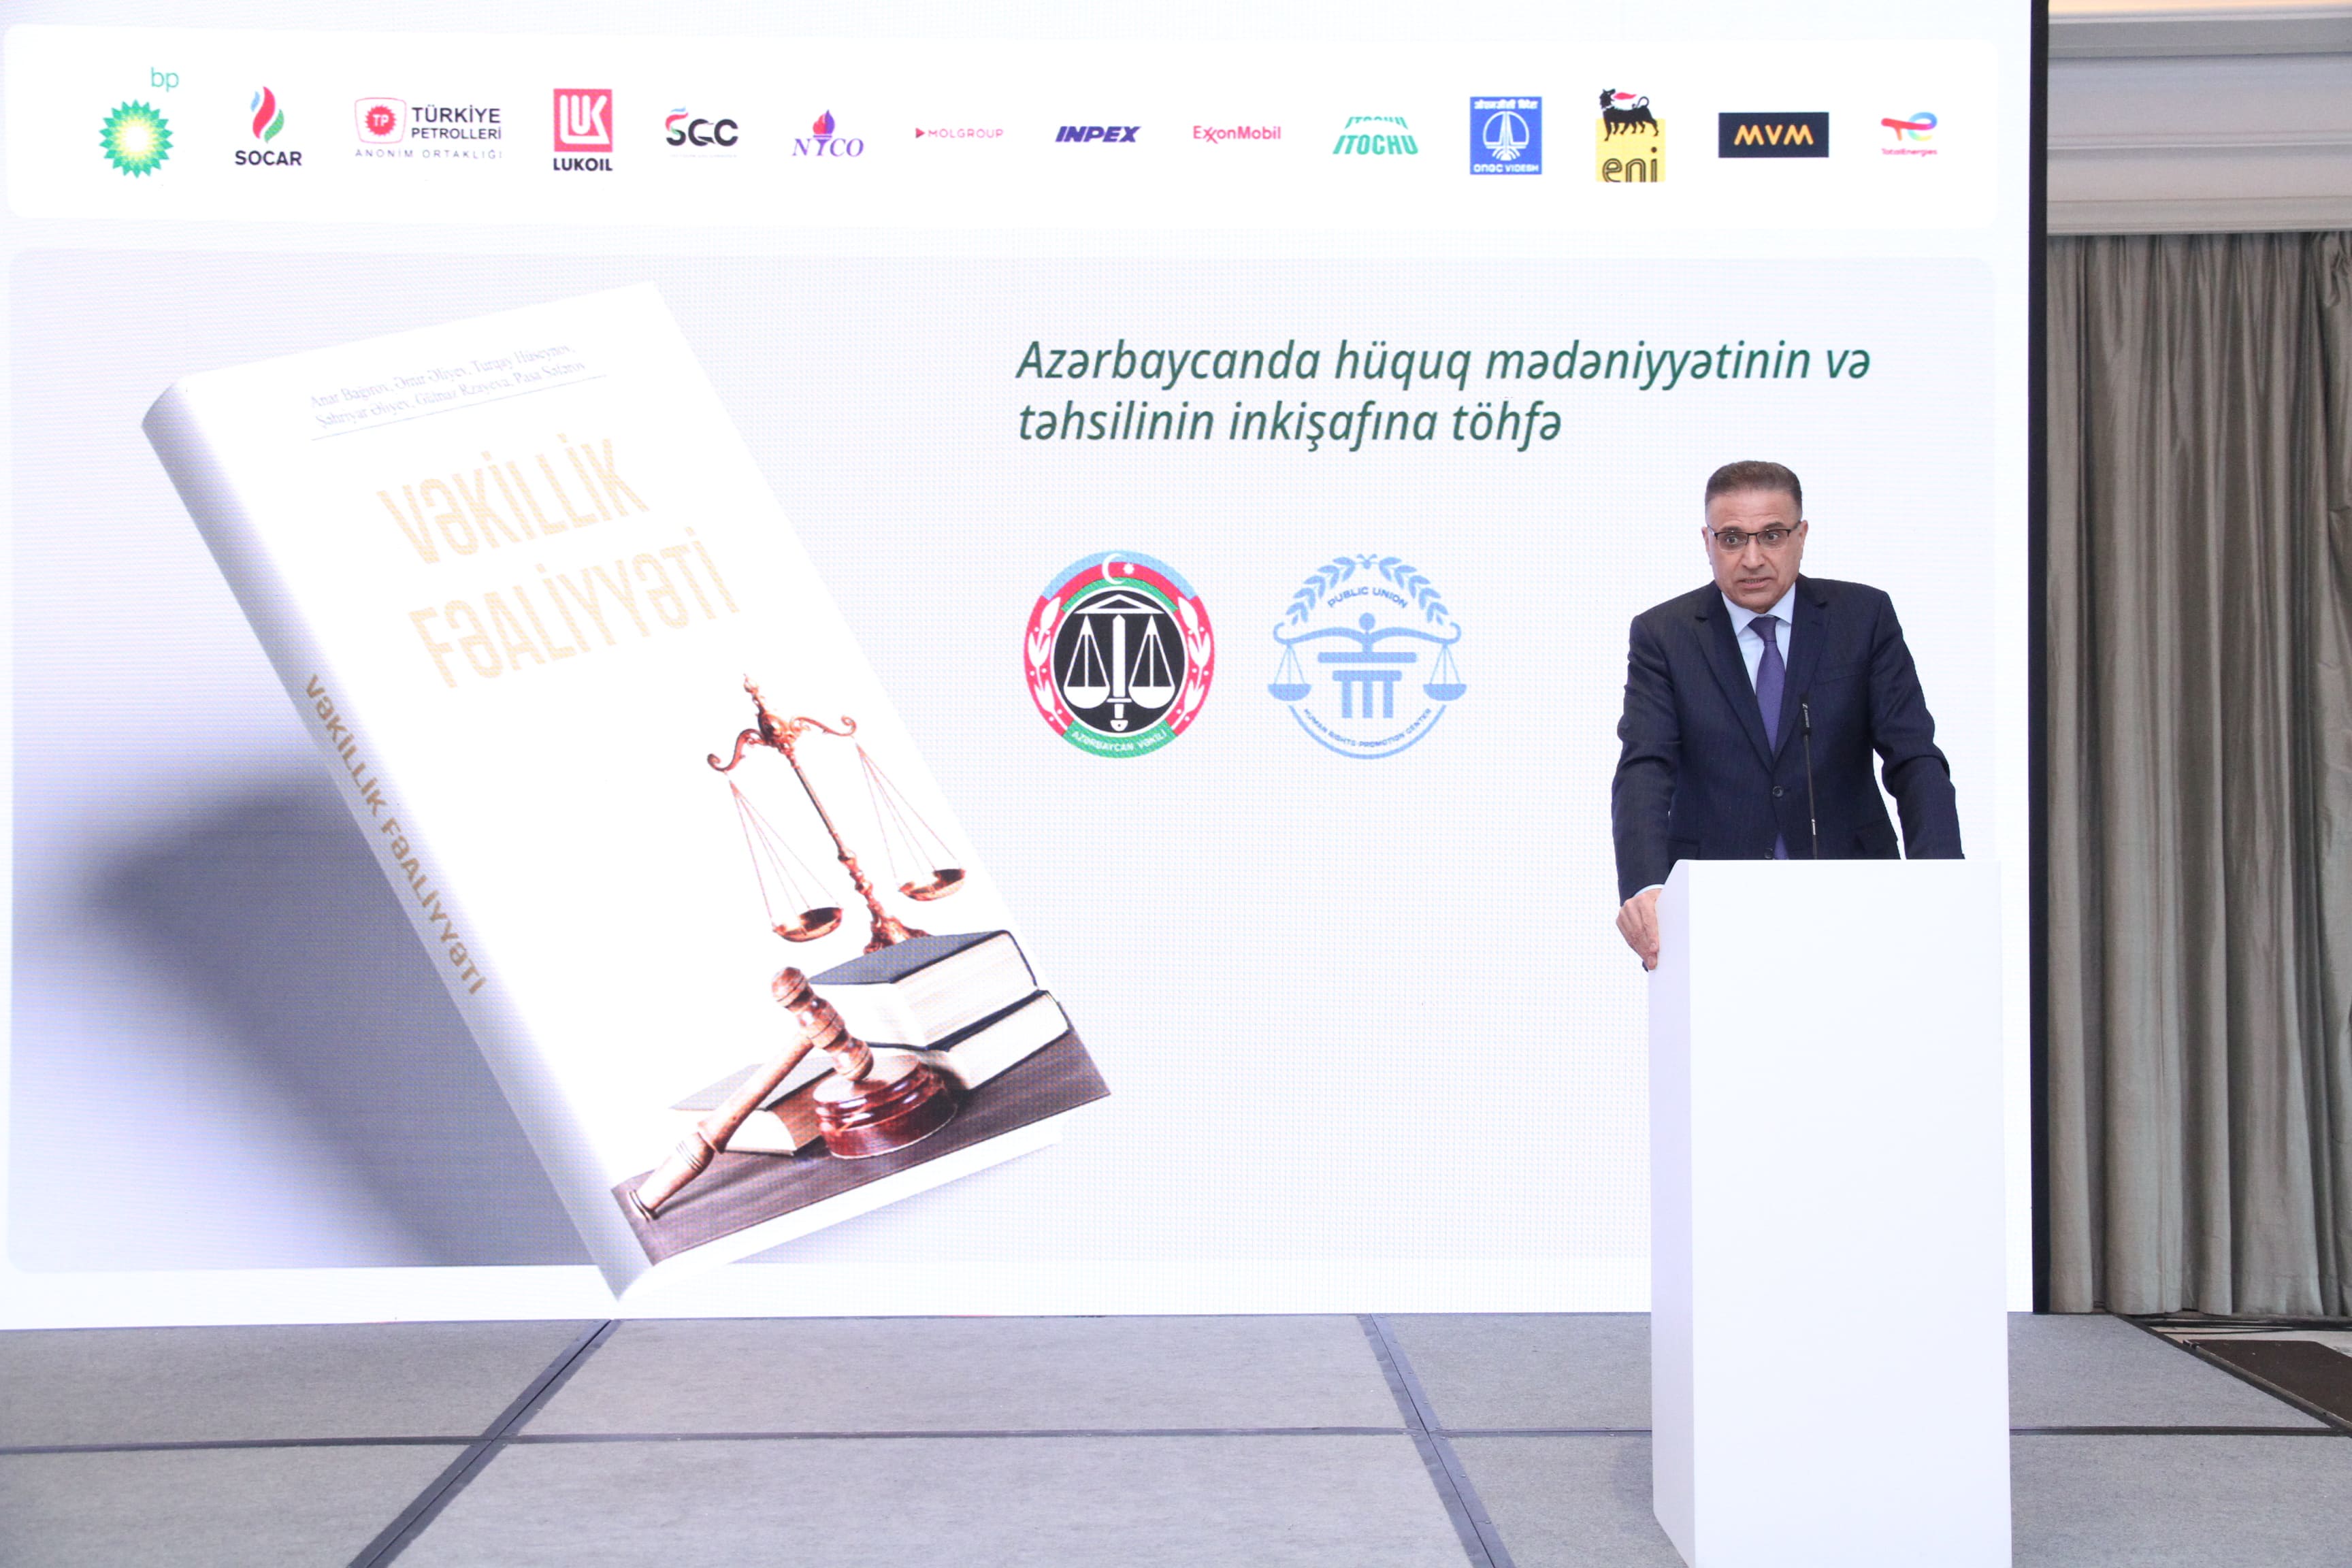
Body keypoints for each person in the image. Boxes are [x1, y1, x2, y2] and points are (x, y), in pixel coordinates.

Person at [1612, 460, 1961, 968]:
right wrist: (1646, 886)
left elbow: (1913, 757)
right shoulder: (1665, 635)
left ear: (1802, 536)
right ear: (1707, 542)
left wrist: (1942, 877)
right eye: (1733, 539)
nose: (1752, 558)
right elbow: (1645, 767)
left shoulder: (1862, 618)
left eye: (1772, 536)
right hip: (1714, 904)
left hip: (1857, 894)